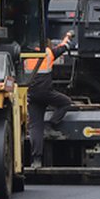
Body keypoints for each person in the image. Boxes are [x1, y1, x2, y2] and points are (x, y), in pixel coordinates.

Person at [26, 29, 75, 169]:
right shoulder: (48, 53)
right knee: (66, 102)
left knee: (35, 127)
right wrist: (68, 36)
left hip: (32, 95)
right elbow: (64, 47)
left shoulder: (25, 56)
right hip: (46, 93)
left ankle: (36, 160)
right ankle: (51, 124)